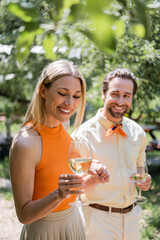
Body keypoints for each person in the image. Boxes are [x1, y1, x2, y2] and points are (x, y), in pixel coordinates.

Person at [9, 59, 110, 240]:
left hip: (73, 224)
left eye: (77, 96)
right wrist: (58, 194)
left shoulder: (64, 124)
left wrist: (94, 179)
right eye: (62, 93)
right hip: (44, 231)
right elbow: (24, 215)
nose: (70, 103)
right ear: (43, 91)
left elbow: (71, 192)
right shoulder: (26, 143)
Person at [72, 68, 152, 240]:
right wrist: (95, 178)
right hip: (97, 220)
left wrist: (143, 181)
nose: (120, 101)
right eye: (115, 94)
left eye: (126, 95)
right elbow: (74, 187)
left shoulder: (137, 132)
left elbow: (139, 168)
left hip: (132, 219)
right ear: (104, 93)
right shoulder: (82, 134)